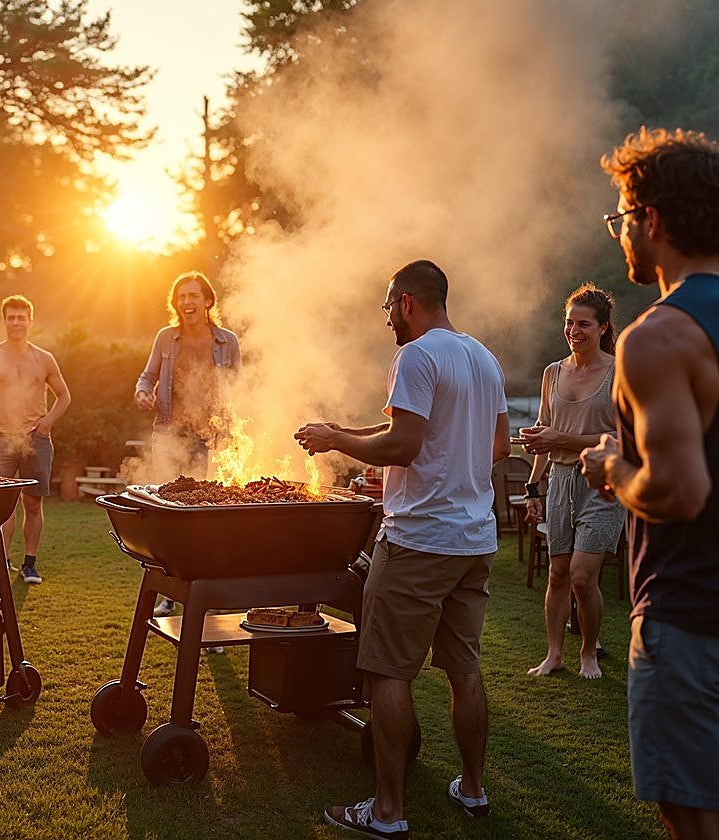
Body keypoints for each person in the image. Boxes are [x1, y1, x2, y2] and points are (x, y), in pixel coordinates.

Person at [296, 259, 509, 839]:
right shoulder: (482, 357)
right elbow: (496, 445)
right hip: (473, 538)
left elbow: (407, 445)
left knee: (388, 673)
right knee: (464, 670)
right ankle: (472, 788)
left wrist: (338, 440)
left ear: (408, 301)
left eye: (389, 305)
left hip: (418, 541)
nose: (386, 316)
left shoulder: (415, 355)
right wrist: (440, 469)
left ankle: (387, 812)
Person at [581, 127, 719, 840]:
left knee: (689, 813)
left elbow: (679, 491)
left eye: (622, 219)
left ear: (652, 221)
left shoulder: (657, 335)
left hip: (688, 614)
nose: (622, 235)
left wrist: (613, 468)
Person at [521, 284, 624, 679]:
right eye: (569, 323)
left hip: (602, 483)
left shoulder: (618, 371)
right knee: (559, 574)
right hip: (559, 482)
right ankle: (554, 654)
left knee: (583, 576)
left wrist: (557, 438)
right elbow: (545, 435)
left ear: (602, 328)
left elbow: (621, 440)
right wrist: (533, 488)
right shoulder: (552, 373)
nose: (573, 330)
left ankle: (588, 653)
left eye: (583, 323)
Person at [134, 271, 240, 619]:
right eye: (181, 297)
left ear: (208, 301)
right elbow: (147, 376)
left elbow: (238, 388)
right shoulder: (167, 338)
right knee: (168, 515)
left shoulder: (227, 342)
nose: (187, 302)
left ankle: (203, 592)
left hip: (209, 437)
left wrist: (230, 430)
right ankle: (170, 590)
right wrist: (142, 392)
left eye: (193, 296)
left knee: (204, 518)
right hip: (169, 433)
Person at [0, 295, 71, 585]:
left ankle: (29, 564)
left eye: (21, 317)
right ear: (4, 321)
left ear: (30, 321)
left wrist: (48, 422)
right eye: (11, 317)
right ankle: (2, 559)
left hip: (35, 438)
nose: (16, 322)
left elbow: (64, 396)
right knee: (1, 505)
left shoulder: (43, 358)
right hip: (0, 438)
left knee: (32, 504)